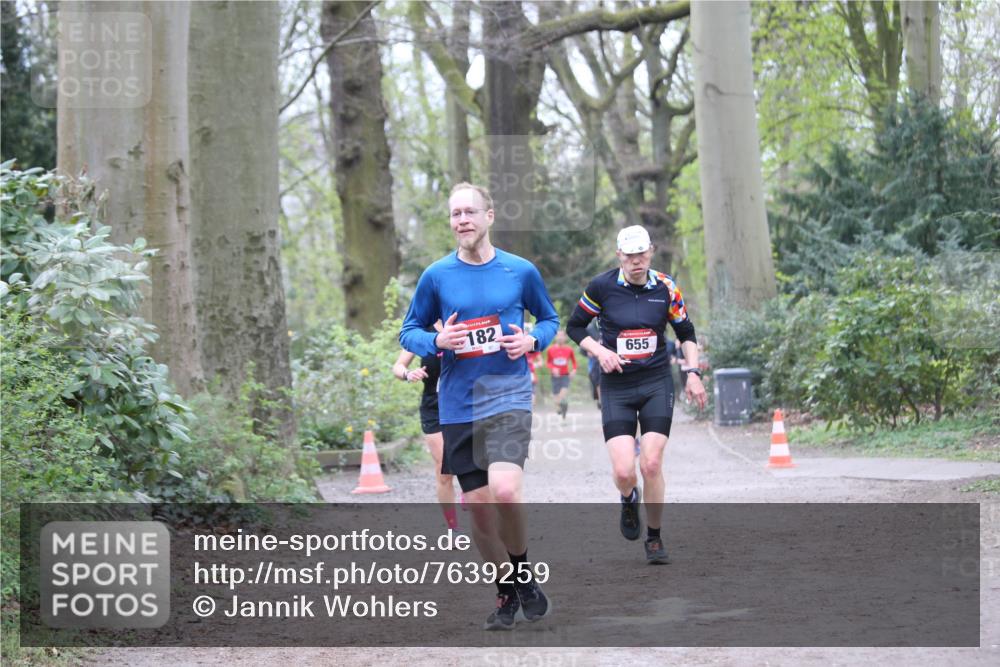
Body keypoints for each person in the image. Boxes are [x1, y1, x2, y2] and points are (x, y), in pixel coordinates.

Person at [399, 182, 559, 630]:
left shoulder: (520, 271)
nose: (462, 220)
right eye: (455, 214)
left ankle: (522, 571)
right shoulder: (436, 276)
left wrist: (531, 340)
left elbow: (549, 319)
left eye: (470, 212)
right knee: (481, 508)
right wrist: (437, 340)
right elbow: (408, 331)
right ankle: (507, 591)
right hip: (457, 405)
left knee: (505, 491)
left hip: (507, 395)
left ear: (489, 216)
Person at [566, 225, 707, 565]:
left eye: (641, 253)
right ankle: (629, 498)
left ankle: (654, 538)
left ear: (651, 252)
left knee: (651, 463)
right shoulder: (601, 287)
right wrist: (600, 352)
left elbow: (686, 332)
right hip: (617, 386)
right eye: (629, 255)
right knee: (624, 471)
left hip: (656, 381)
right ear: (619, 255)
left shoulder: (666, 287)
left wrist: (693, 373)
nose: (636, 260)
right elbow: (575, 326)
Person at [391, 324, 460, 534]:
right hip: (434, 406)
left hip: (465, 403)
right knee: (444, 470)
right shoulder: (422, 331)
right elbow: (398, 366)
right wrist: (408, 374)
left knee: (471, 465)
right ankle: (453, 529)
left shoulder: (465, 323)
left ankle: (471, 489)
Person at [545, 329, 577, 419]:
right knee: (556, 395)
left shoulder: (569, 349)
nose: (560, 338)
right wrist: (553, 368)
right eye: (558, 335)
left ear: (565, 337)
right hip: (554, 376)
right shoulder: (550, 349)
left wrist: (574, 370)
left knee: (563, 392)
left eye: (562, 335)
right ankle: (562, 407)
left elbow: (574, 362)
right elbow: (548, 363)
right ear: (555, 337)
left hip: (565, 375)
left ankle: (560, 405)